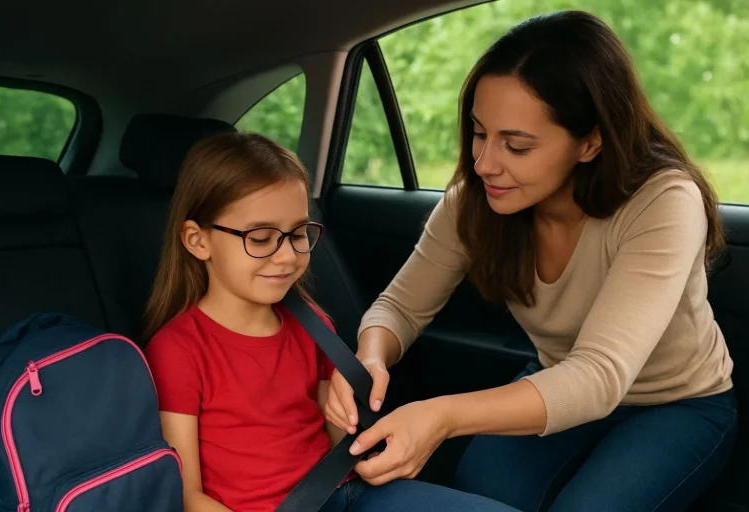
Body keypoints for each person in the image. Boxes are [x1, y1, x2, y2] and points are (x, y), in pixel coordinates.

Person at [324, 10, 736, 512]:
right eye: (479, 133)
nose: (484, 164)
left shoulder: (664, 201)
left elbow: (599, 376)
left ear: (590, 141)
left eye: (516, 145)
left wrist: (443, 416)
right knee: (479, 496)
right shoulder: (475, 200)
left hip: (680, 404)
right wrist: (369, 357)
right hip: (553, 379)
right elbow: (400, 308)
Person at [142, 132, 520, 512]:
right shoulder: (178, 350)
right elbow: (187, 495)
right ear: (197, 240)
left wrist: (365, 437)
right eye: (260, 238)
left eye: (298, 233)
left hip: (343, 495)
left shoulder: (311, 324)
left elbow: (339, 437)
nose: (287, 256)